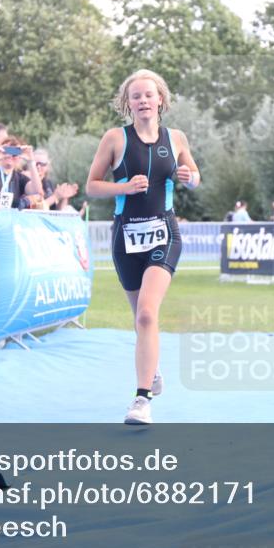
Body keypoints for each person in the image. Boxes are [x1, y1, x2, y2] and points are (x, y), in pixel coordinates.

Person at [85, 68, 200, 425]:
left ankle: (141, 400)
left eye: (149, 95)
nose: (143, 101)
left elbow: (195, 176)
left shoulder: (176, 138)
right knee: (140, 319)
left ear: (160, 99)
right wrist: (123, 187)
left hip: (165, 234)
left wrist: (190, 177)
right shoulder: (115, 138)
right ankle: (152, 368)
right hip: (126, 237)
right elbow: (91, 185)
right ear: (128, 103)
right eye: (136, 96)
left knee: (148, 313)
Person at [0, 136, 43, 209]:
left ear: (20, 157)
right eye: (7, 151)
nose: (10, 155)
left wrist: (31, 162)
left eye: (14, 153)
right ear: (0, 151)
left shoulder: (20, 179)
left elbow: (37, 191)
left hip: (10, 216)